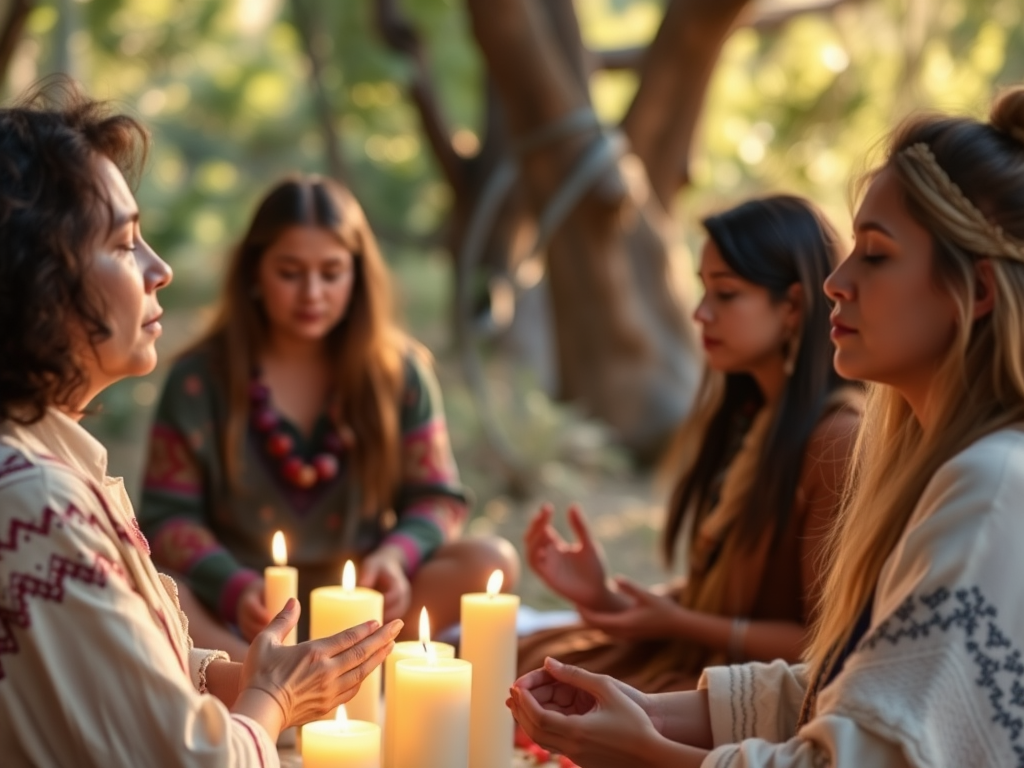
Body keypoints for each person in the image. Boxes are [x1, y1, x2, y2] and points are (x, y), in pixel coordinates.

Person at [508, 87, 1024, 768]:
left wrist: (647, 752)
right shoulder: (934, 468)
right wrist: (650, 711)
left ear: (978, 292)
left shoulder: (986, 484)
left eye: (874, 253)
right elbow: (846, 685)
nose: (836, 282)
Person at [0, 82, 402, 766]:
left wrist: (241, 677)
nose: (161, 269)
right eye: (125, 245)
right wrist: (272, 699)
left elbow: (125, 664)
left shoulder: (50, 469)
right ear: (40, 277)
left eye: (332, 272)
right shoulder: (34, 501)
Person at [137, 174, 518, 656]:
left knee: (488, 560)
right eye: (290, 273)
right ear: (254, 272)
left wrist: (395, 558)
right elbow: (166, 518)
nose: (312, 293)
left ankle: (345, 671)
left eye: (332, 272)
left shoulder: (398, 374)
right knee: (148, 583)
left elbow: (438, 500)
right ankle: (254, 681)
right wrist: (232, 587)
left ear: (358, 275)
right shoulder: (198, 380)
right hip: (239, 620)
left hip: (369, 608)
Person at [518, 195, 861, 692]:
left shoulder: (838, 441)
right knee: (516, 659)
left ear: (792, 306)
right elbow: (721, 596)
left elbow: (824, 644)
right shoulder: (755, 418)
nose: (701, 314)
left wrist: (677, 624)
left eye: (725, 294)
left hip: (752, 689)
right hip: (697, 657)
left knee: (549, 688)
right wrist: (607, 597)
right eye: (703, 291)